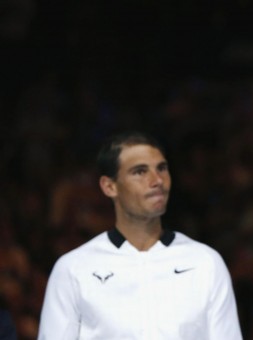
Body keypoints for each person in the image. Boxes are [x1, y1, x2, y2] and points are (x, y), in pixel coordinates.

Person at [38, 131, 242, 339]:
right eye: (139, 172)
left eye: (161, 168)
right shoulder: (73, 269)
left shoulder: (206, 263)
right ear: (109, 186)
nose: (157, 180)